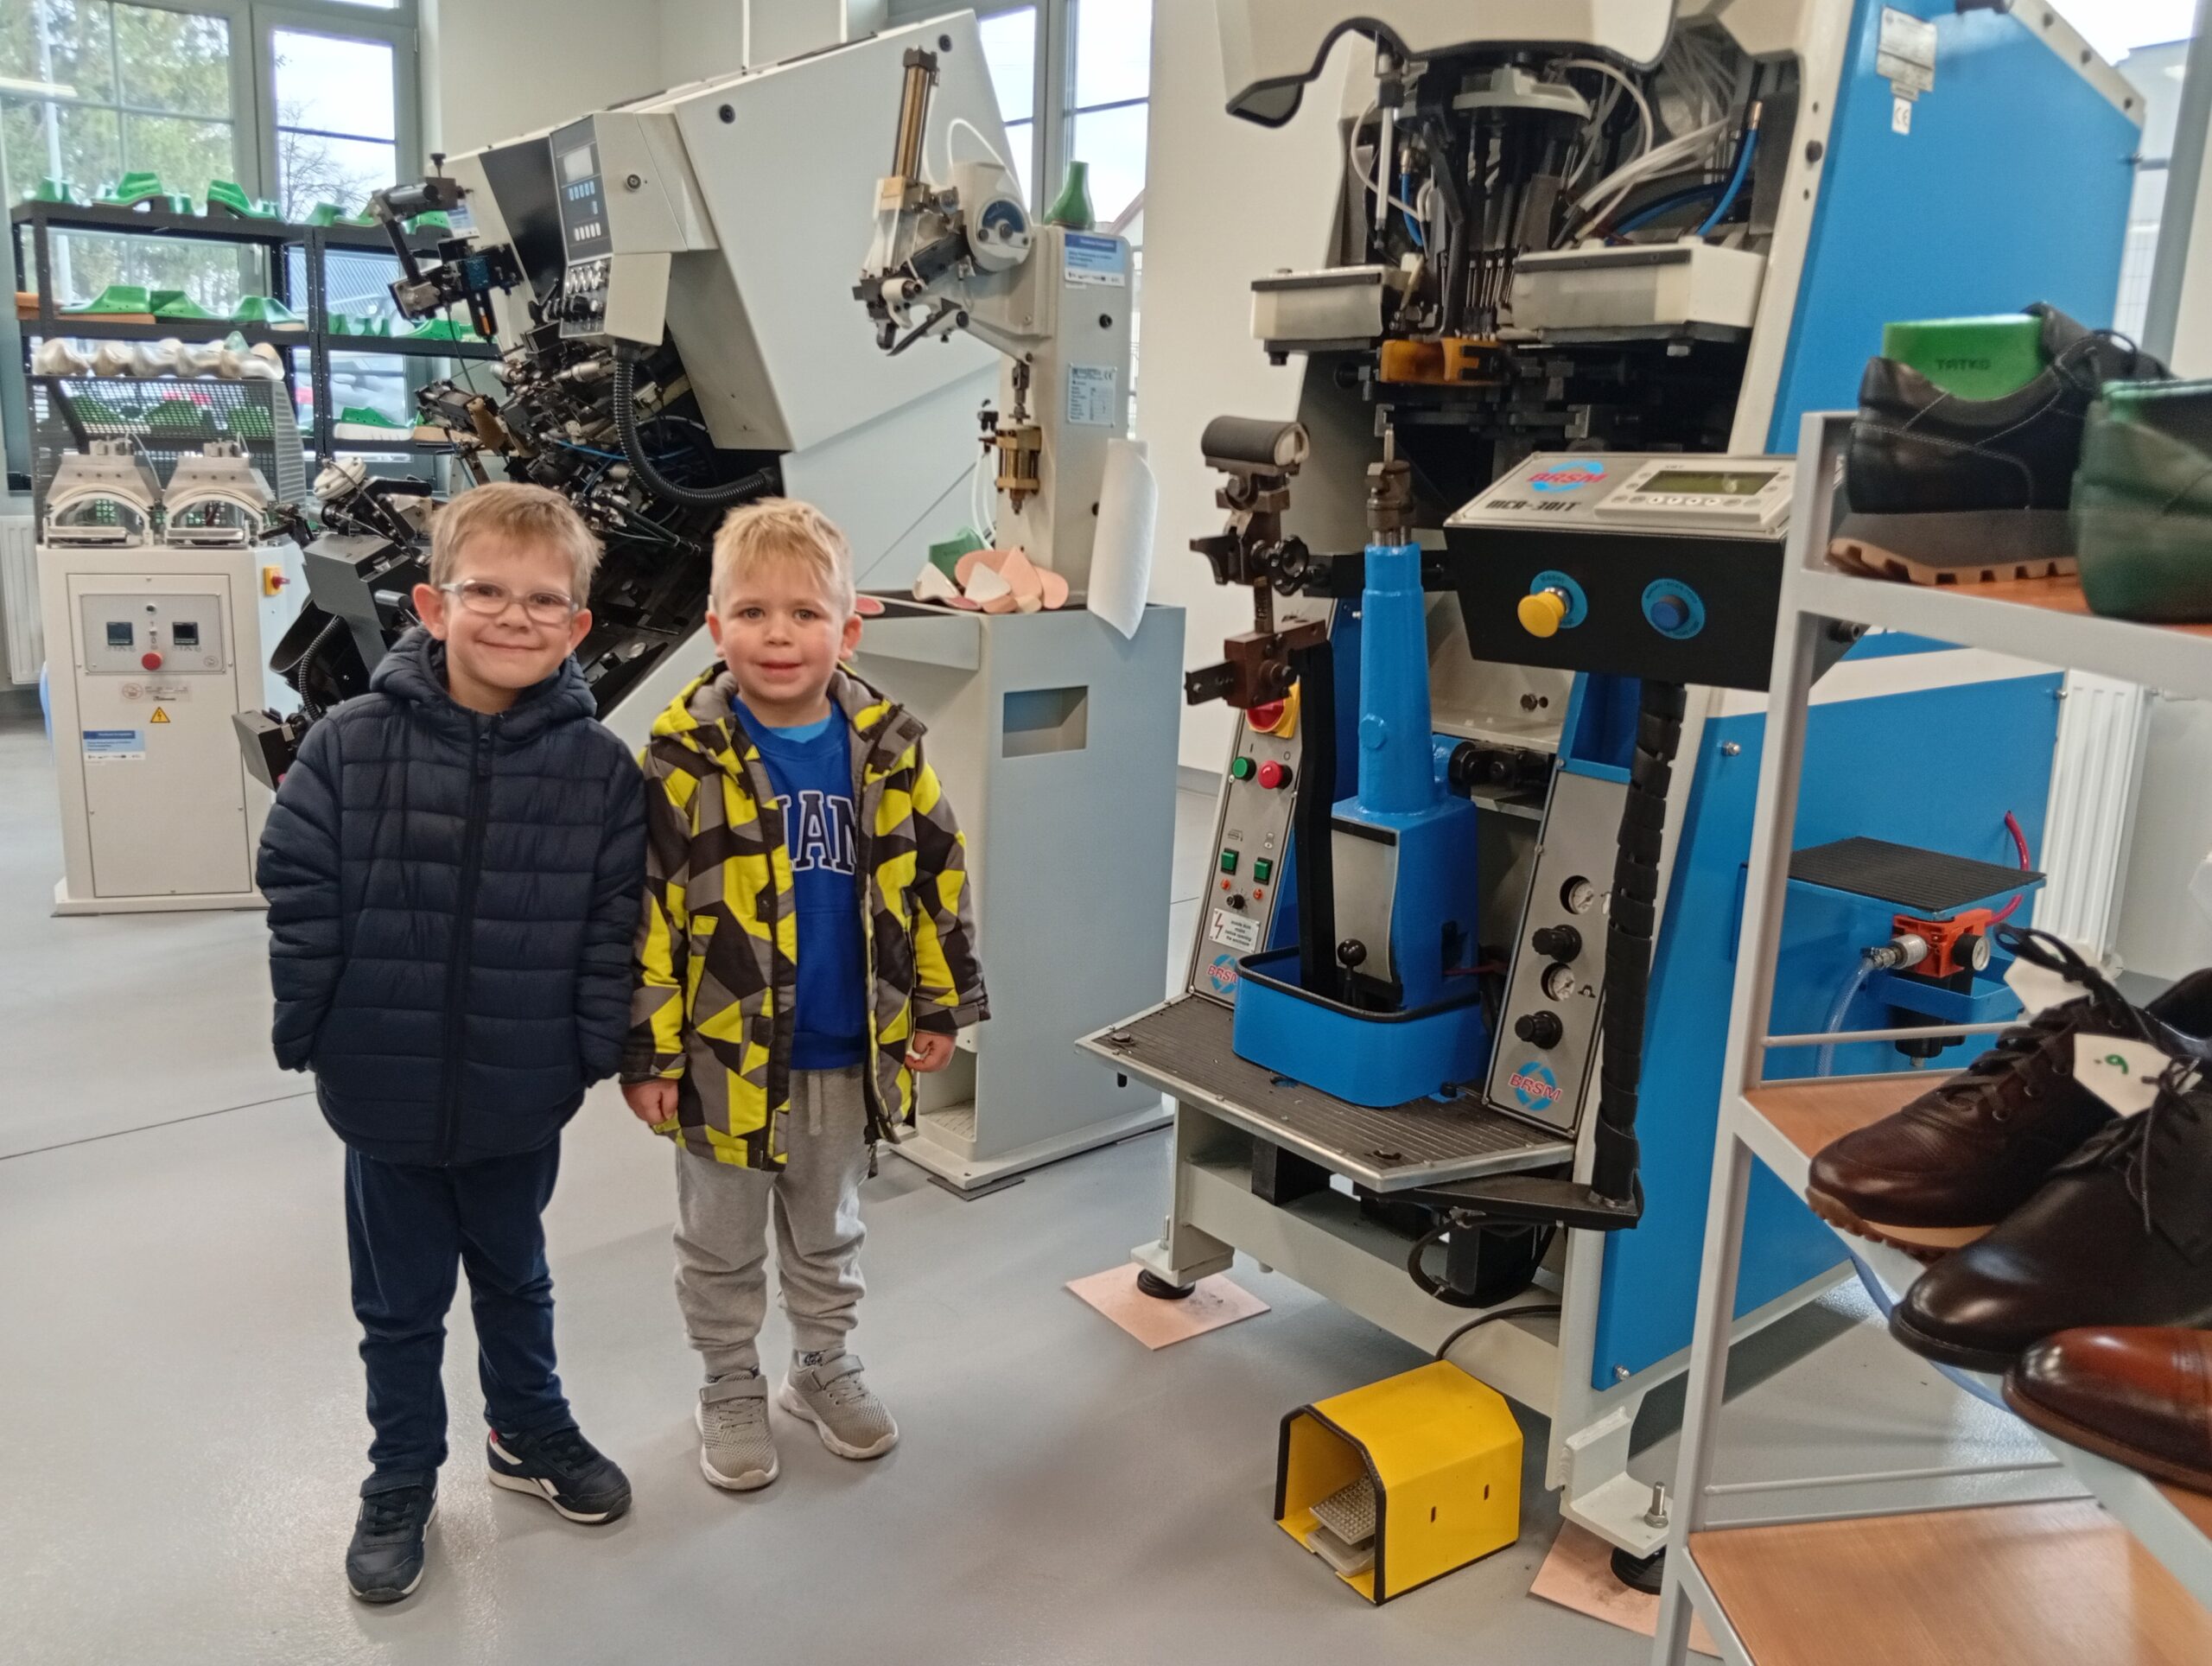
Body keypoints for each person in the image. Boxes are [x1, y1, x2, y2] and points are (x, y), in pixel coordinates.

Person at [257, 482, 646, 1604]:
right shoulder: (350, 745)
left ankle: (529, 1430)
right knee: (399, 1306)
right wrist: (314, 1024)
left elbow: (613, 921)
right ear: (432, 605)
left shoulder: (598, 771)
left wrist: (586, 1049)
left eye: (544, 600)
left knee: (517, 1276)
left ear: (578, 624)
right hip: (381, 1084)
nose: (515, 617)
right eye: (487, 592)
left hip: (521, 1086)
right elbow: (296, 882)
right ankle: (400, 1478)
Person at [623, 498, 987, 1493]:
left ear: (849, 628)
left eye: (804, 613)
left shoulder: (887, 747)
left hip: (844, 1047)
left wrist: (938, 1003)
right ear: (715, 626)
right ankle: (729, 1379)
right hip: (723, 1057)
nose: (778, 635)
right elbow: (648, 912)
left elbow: (937, 876)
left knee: (830, 1228)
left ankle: (822, 1362)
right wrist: (650, 1051)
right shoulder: (681, 758)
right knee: (720, 1238)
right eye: (752, 612)